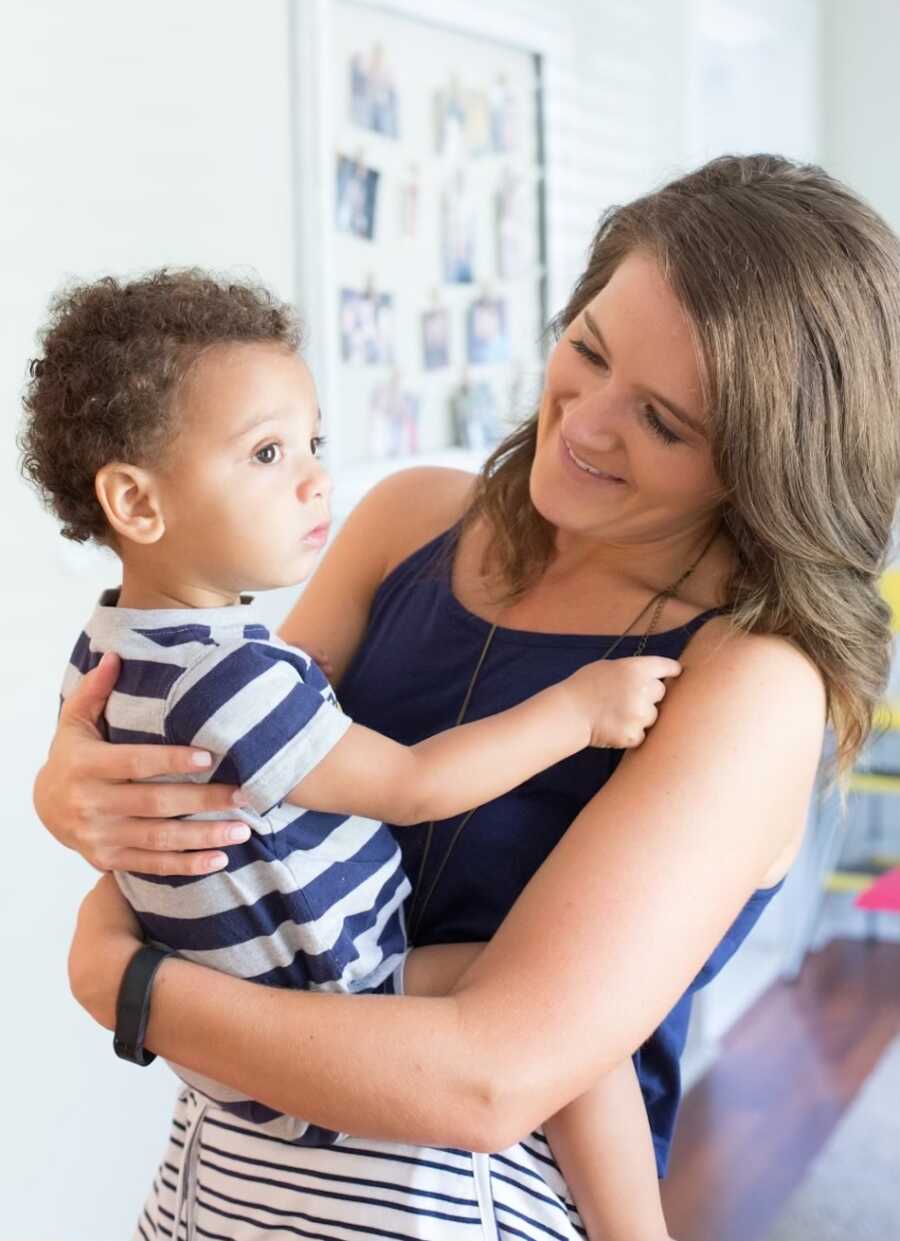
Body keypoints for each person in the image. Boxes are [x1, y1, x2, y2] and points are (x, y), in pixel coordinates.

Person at [35, 155, 900, 1241]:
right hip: (227, 1176)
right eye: (585, 348)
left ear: (764, 459)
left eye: (664, 421)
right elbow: (230, 801)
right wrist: (77, 794)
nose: (584, 422)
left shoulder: (750, 677)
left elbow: (488, 1080)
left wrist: (122, 978)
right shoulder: (407, 524)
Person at [22, 269, 682, 1236]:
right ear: (138, 500)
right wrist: (579, 710)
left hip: (229, 1054)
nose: (315, 477)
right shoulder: (238, 681)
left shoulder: (109, 649)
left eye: (313, 443)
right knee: (585, 1046)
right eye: (266, 452)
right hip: (342, 987)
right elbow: (415, 787)